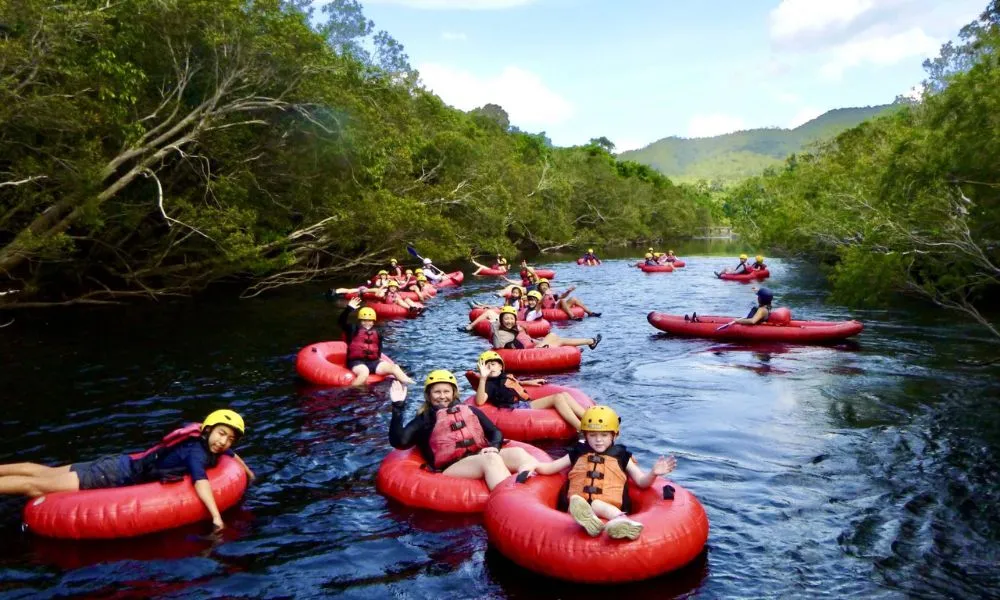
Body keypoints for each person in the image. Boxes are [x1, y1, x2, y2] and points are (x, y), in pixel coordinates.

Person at [0, 410, 256, 531]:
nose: (223, 441)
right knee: (33, 486)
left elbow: (228, 452)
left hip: (116, 463)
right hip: (112, 475)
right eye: (221, 434)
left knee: (43, 472)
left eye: (230, 439)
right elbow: (200, 482)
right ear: (209, 430)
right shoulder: (197, 453)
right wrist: (216, 518)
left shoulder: (202, 440)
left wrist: (247, 470)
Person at [522, 406, 676, 540]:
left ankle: (620, 521)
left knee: (596, 504)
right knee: (575, 504)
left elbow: (641, 482)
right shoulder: (577, 453)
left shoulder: (621, 456)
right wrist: (534, 466)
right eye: (592, 435)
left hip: (608, 505)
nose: (598, 440)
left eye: (604, 435)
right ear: (585, 435)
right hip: (578, 507)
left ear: (614, 435)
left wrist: (654, 473)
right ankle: (590, 522)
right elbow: (551, 468)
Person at [388, 371, 539, 490]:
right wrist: (398, 407)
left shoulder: (468, 410)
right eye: (437, 392)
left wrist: (494, 446)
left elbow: (495, 432)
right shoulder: (424, 419)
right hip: (451, 467)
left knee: (517, 452)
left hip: (477, 455)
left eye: (446, 392)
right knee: (490, 460)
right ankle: (512, 496)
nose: (442, 397)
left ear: (454, 393)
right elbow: (400, 442)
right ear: (428, 395)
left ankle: (539, 478)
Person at [474, 351, 588, 430]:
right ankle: (581, 429)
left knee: (564, 394)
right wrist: (483, 378)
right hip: (515, 409)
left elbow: (512, 385)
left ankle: (589, 419)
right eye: (487, 367)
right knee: (557, 398)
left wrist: (530, 382)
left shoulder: (505, 377)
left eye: (493, 364)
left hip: (523, 404)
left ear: (500, 367)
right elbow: (480, 401)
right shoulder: (489, 384)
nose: (490, 368)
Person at [339, 297, 416, 386]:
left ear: (373, 321)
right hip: (356, 362)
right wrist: (349, 309)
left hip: (373, 362)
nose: (367, 323)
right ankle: (348, 390)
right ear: (360, 321)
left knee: (395, 368)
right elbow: (341, 322)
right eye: (364, 320)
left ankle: (413, 385)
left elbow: (378, 347)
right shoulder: (353, 329)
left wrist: (379, 358)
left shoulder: (377, 332)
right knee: (364, 372)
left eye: (370, 320)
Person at [489, 306, 601, 351]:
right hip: (531, 353)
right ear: (501, 320)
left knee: (554, 337)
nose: (509, 321)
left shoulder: (515, 329)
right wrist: (494, 325)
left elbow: (528, 340)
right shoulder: (502, 333)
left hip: (534, 347)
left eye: (511, 318)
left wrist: (540, 341)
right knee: (554, 337)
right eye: (506, 319)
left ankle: (590, 341)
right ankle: (589, 342)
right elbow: (498, 345)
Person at [536, 279, 600, 320]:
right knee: (562, 301)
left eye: (546, 285)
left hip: (556, 307)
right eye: (542, 285)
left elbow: (562, 297)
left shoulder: (551, 294)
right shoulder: (537, 294)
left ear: (548, 287)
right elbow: (538, 303)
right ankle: (572, 316)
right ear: (539, 287)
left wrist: (568, 291)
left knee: (573, 298)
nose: (544, 287)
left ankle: (590, 313)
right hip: (549, 310)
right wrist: (545, 294)